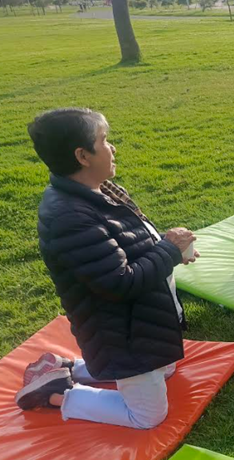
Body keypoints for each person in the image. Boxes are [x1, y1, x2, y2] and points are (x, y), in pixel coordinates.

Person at [15, 108, 199, 428]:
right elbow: (119, 283)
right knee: (147, 416)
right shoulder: (69, 217)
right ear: (83, 155)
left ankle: (67, 366)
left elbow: (132, 242)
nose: (112, 147)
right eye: (104, 141)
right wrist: (169, 250)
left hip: (139, 320)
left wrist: (172, 251)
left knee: (166, 368)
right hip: (121, 335)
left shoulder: (100, 191)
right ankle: (57, 392)